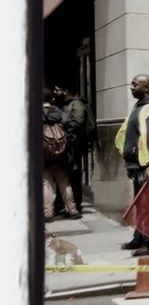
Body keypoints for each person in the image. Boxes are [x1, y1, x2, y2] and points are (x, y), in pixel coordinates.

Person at [114, 74, 149, 254]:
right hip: (139, 165)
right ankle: (139, 238)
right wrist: (132, 166)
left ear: (146, 88)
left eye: (135, 84)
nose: (131, 87)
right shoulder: (139, 107)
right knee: (141, 205)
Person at [53, 83, 95, 213]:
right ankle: (64, 203)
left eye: (57, 89)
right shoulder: (63, 103)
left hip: (73, 145)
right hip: (67, 144)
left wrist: (61, 124)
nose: (55, 91)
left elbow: (77, 122)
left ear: (65, 91)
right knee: (64, 174)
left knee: (74, 174)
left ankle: (76, 203)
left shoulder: (76, 104)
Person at [41, 88, 78, 221]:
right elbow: (69, 127)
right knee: (65, 183)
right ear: (52, 99)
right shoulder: (60, 112)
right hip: (61, 154)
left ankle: (48, 214)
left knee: (46, 184)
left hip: (44, 155)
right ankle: (73, 211)